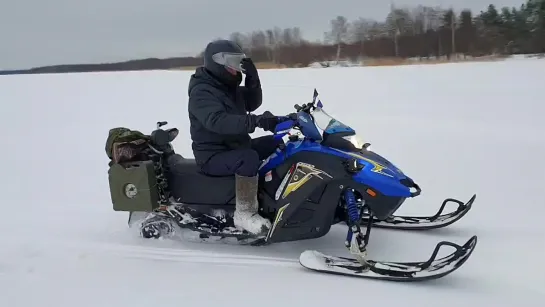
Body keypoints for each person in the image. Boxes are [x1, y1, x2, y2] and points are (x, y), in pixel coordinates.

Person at [187, 39, 281, 235]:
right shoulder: (202, 92)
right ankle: (245, 213)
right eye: (232, 63)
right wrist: (256, 122)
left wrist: (253, 79)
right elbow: (218, 121)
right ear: (217, 63)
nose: (236, 69)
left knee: (275, 143)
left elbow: (252, 103)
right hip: (212, 155)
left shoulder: (227, 87)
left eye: (239, 63)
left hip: (234, 146)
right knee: (248, 158)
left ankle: (276, 198)